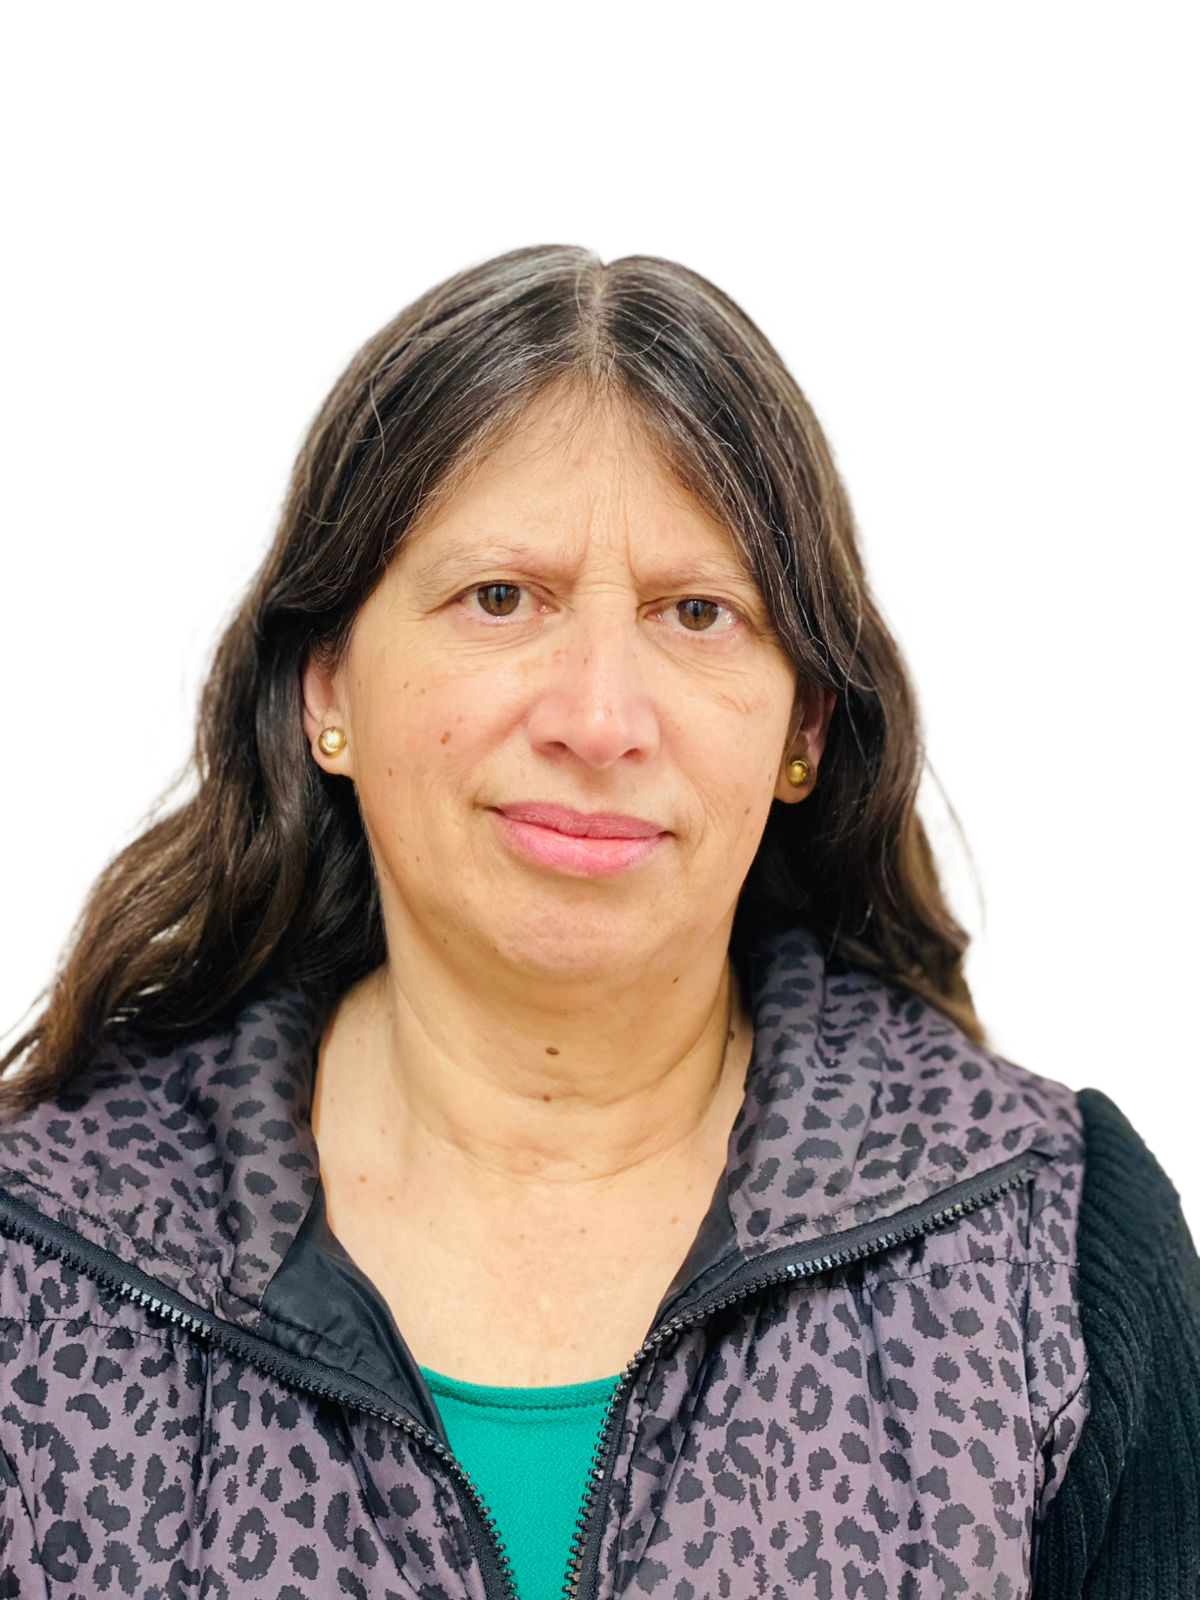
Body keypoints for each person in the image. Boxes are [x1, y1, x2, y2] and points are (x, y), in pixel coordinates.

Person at [0, 246, 1196, 1600]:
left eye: (699, 614)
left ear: (803, 726)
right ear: (326, 684)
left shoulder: (1045, 1250)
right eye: (501, 598)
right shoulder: (45, 1256)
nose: (598, 718)